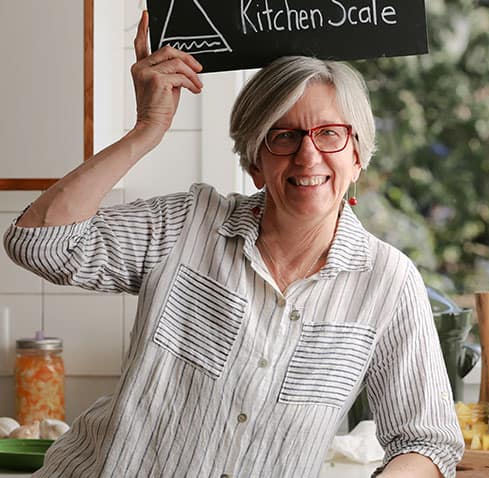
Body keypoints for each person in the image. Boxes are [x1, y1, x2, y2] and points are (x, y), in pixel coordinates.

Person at [3, 11, 464, 478]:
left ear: (357, 155)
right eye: (283, 136)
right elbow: (38, 243)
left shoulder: (388, 281)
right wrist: (147, 129)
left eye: (329, 133)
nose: (308, 154)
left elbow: (427, 440)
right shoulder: (189, 224)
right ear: (255, 163)